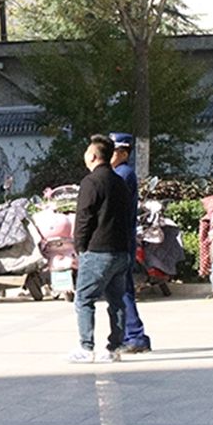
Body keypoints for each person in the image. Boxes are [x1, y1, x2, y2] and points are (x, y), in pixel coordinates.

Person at [69, 134, 135, 363]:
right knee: (117, 302)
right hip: (121, 250)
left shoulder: (91, 182)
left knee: (84, 299)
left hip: (97, 251)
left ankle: (86, 348)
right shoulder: (120, 182)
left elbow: (84, 217)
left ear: (93, 156)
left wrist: (80, 246)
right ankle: (114, 348)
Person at [110, 132, 152, 353]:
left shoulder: (123, 174)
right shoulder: (118, 173)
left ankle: (135, 336)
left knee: (123, 288)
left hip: (121, 239)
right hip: (122, 237)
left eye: (114, 151)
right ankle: (132, 335)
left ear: (124, 153)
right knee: (120, 289)